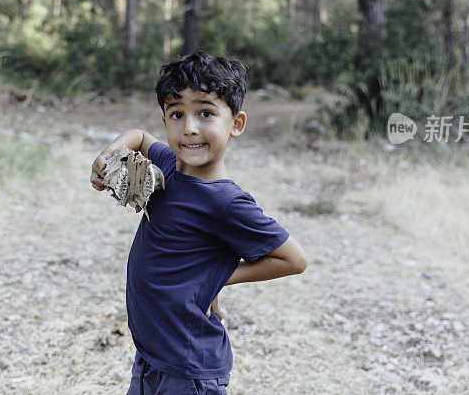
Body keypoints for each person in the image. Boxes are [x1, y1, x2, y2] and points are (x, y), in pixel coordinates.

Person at [90, 51, 308, 394]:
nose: (189, 128)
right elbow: (139, 136)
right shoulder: (169, 165)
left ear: (235, 123)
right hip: (152, 358)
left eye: (205, 113)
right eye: (177, 114)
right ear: (166, 121)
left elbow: (294, 260)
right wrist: (109, 154)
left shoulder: (226, 202)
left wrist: (215, 279)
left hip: (190, 371)